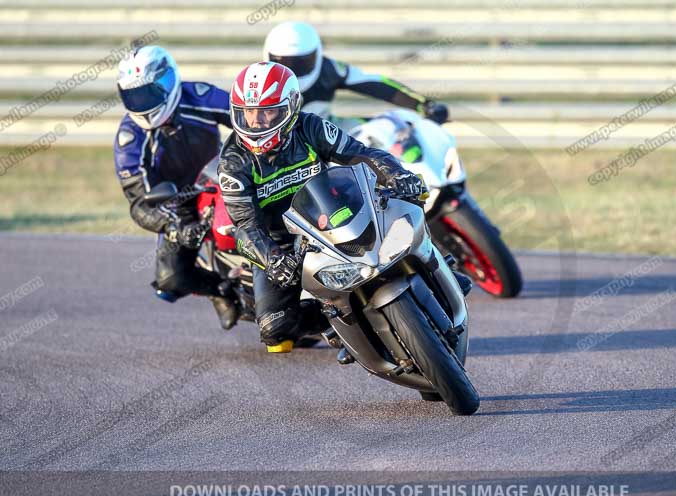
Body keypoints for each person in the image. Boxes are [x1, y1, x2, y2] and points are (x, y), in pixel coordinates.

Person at [218, 61, 427, 353]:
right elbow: (246, 226)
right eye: (248, 113)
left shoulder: (309, 126)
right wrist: (272, 258)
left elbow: (359, 154)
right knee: (274, 329)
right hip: (280, 241)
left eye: (267, 111)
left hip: (329, 216)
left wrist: (396, 173)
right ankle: (337, 324)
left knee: (401, 209)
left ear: (290, 107)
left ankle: (435, 268)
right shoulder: (232, 162)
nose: (257, 122)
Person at [113, 45, 240, 329]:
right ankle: (221, 290)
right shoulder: (129, 138)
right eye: (134, 95)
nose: (142, 102)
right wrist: (173, 226)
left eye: (148, 93)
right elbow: (139, 203)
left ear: (168, 81)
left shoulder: (199, 95)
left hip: (222, 181)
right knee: (170, 281)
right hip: (177, 204)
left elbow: (246, 118)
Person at [263, 21, 449, 130]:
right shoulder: (255, 79)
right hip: (272, 142)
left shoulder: (331, 69)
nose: (292, 69)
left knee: (393, 126)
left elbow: (375, 84)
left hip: (324, 132)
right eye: (284, 62)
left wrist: (424, 106)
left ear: (317, 54)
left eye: (301, 62)